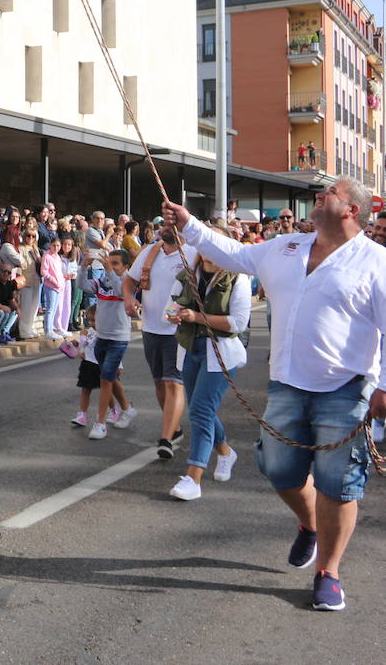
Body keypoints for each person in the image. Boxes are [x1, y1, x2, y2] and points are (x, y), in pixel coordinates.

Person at [164, 179, 386, 611]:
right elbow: (232, 253)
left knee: (340, 484)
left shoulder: (376, 261)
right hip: (287, 382)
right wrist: (190, 225)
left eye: (330, 194)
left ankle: (328, 572)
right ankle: (309, 524)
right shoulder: (285, 247)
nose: (320, 196)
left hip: (347, 389)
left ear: (352, 210)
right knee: (279, 469)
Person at [165, 229, 249, 501]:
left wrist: (198, 317)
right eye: (203, 245)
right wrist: (174, 316)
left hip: (221, 354)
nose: (207, 251)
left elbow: (237, 323)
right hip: (191, 350)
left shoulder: (238, 278)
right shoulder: (188, 274)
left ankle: (193, 477)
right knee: (203, 410)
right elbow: (170, 308)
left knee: (200, 411)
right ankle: (225, 451)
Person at [123, 219, 198, 458]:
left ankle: (165, 438)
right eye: (165, 225)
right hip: (151, 328)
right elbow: (129, 280)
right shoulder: (150, 251)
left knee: (173, 382)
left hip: (179, 330)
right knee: (159, 382)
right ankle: (173, 428)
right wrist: (129, 299)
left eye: (173, 225)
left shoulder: (194, 254)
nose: (168, 228)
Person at [80, 250, 137, 438]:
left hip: (118, 338)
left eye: (115, 263)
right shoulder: (102, 281)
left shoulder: (129, 281)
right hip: (101, 336)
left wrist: (108, 270)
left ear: (126, 266)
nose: (110, 266)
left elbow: (121, 292)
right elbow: (82, 285)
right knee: (111, 377)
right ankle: (127, 408)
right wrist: (83, 266)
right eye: (109, 262)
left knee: (105, 379)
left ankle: (100, 423)